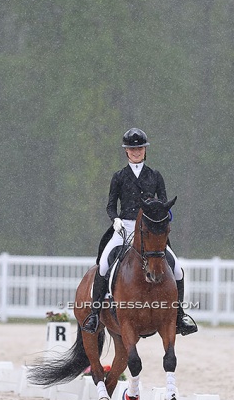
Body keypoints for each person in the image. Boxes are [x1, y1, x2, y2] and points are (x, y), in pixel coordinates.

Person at [82, 128, 198, 336]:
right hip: (124, 227)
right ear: (126, 151)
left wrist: (162, 217)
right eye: (132, 149)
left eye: (139, 148)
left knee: (178, 269)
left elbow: (163, 202)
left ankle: (180, 315)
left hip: (150, 229)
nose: (136, 152)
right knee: (103, 265)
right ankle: (94, 313)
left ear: (145, 150)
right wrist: (115, 219)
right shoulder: (119, 176)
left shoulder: (154, 175)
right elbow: (110, 205)